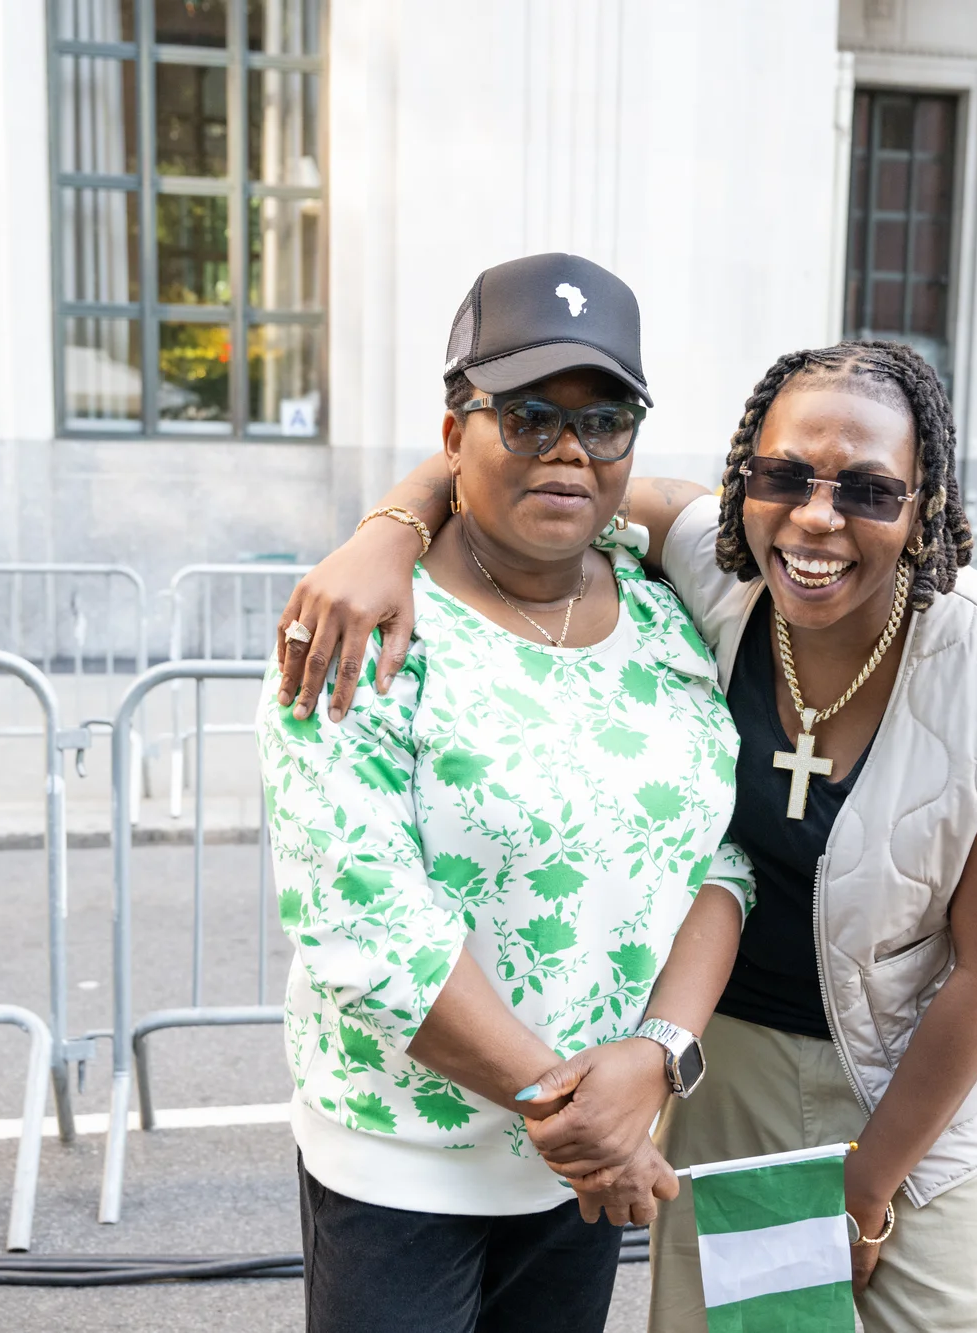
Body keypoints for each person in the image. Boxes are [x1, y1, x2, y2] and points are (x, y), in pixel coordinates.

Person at [278, 340, 977, 1333]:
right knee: (750, 1328)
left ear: (925, 505)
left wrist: (868, 1185)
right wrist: (386, 532)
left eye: (871, 490)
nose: (817, 517)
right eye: (784, 475)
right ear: (743, 477)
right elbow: (528, 461)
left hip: (917, 1086)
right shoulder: (718, 560)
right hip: (734, 1071)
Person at [261, 253, 756, 1333]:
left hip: (583, 1163)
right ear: (454, 436)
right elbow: (362, 918)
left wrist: (655, 1057)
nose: (569, 448)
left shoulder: (664, 614)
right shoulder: (362, 628)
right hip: (406, 1166)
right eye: (527, 417)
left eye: (604, 420)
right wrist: (579, 1113)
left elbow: (720, 857)